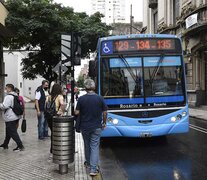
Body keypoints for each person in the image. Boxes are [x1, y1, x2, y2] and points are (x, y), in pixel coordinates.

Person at [74, 79, 107, 176]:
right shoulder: (100, 98)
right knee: (94, 146)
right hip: (97, 126)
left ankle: (88, 163)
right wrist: (104, 122)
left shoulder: (81, 99)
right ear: (93, 87)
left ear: (85, 87)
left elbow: (76, 112)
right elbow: (105, 112)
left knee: (87, 144)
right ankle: (93, 169)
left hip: (85, 126)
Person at [0, 84, 24, 151]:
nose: (5, 89)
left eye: (6, 88)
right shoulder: (15, 95)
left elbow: (4, 106)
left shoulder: (8, 97)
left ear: (10, 89)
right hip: (15, 116)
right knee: (8, 131)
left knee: (13, 132)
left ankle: (20, 146)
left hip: (10, 117)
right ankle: (5, 144)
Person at [45, 83, 66, 154]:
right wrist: (60, 112)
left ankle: (52, 149)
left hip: (49, 117)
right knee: (57, 133)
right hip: (56, 117)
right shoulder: (60, 96)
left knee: (53, 132)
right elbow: (63, 105)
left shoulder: (48, 96)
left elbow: (46, 106)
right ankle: (55, 149)